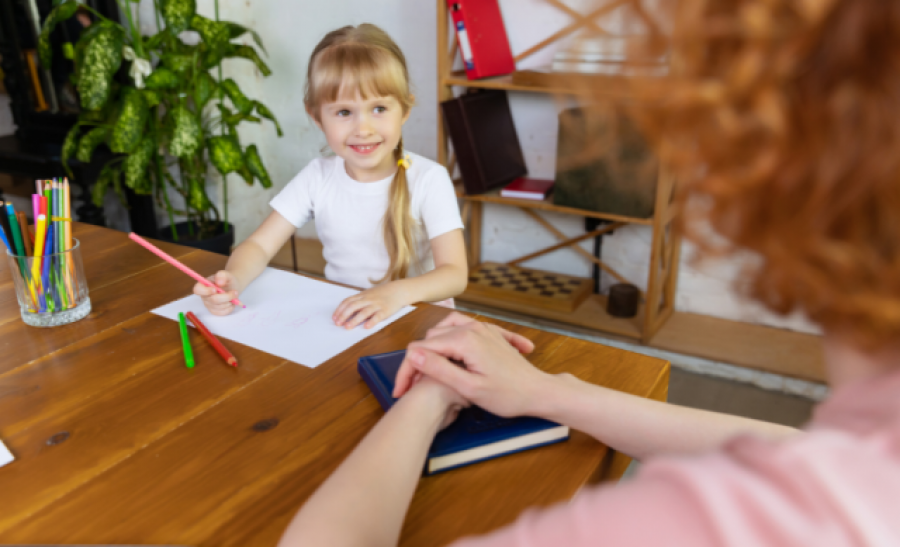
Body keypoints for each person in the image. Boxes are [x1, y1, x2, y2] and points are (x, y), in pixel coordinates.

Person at [278, 1, 900, 546]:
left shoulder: (760, 513)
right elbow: (796, 456)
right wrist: (550, 392)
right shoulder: (864, 472)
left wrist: (430, 395)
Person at [194, 24, 467, 329]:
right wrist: (233, 279)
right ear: (317, 117)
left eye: (378, 108)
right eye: (343, 112)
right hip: (347, 323)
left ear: (404, 109)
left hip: (421, 324)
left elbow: (455, 274)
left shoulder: (430, 179)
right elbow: (258, 246)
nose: (363, 128)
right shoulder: (317, 177)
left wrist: (393, 294)